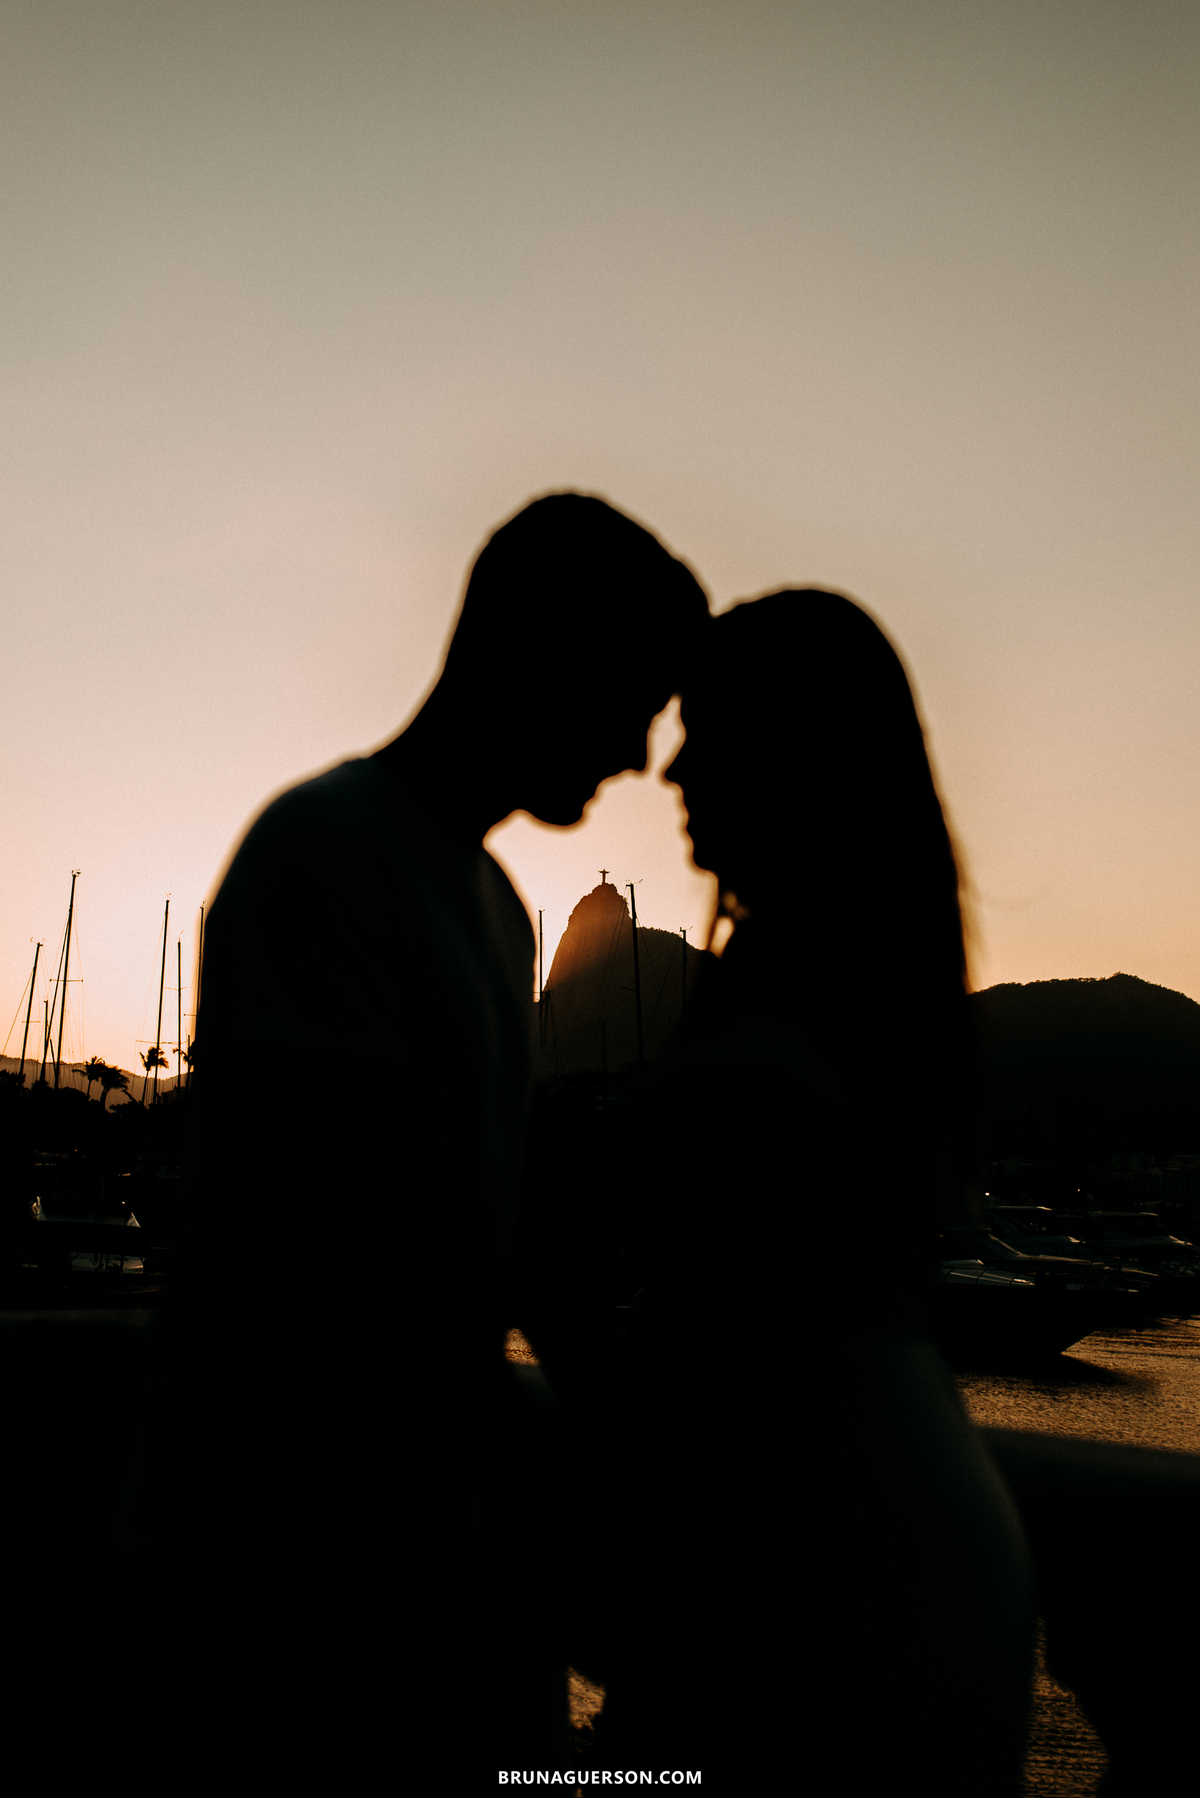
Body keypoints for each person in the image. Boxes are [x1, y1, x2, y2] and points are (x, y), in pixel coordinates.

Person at [117, 491, 709, 1775]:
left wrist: (617, 1438)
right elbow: (332, 1263)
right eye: (632, 701)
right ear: (541, 653)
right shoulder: (325, 854)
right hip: (277, 1597)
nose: (637, 753)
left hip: (427, 1579)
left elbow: (519, 1226)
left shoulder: (490, 902)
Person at [547, 588, 1034, 1791]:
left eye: (708, 731)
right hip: (874, 1508)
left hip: (832, 1545)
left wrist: (537, 1269)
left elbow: (705, 1376)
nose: (673, 767)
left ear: (796, 757)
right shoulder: (851, 990)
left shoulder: (795, 1017)